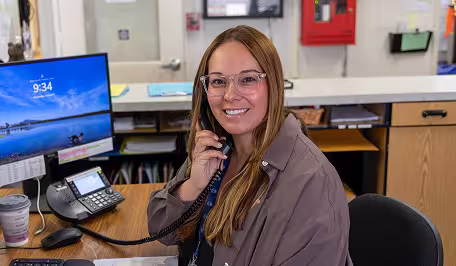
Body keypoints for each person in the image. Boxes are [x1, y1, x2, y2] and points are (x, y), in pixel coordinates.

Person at [148, 25, 352, 266]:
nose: (230, 95)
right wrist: (193, 186)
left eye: (247, 79)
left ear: (273, 85)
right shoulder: (216, 148)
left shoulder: (312, 184)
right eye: (218, 81)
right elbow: (161, 230)